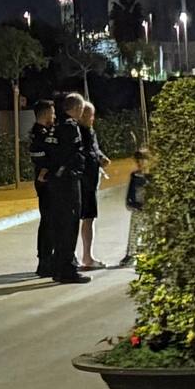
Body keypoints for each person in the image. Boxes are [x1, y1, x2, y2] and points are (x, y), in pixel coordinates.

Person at [46, 93, 91, 284]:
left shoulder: (55, 127)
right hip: (68, 182)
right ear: (77, 108)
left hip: (56, 183)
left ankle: (58, 267)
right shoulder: (71, 128)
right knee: (70, 224)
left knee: (59, 225)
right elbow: (73, 154)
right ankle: (67, 269)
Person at [77, 102, 111, 269]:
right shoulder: (76, 132)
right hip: (81, 182)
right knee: (78, 220)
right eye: (90, 115)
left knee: (89, 219)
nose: (92, 119)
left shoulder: (90, 132)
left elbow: (94, 150)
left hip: (90, 182)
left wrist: (101, 158)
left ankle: (87, 256)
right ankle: (81, 258)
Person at [28, 99, 57, 277]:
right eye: (52, 113)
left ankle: (46, 259)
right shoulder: (39, 135)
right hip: (46, 183)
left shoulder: (41, 132)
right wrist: (46, 170)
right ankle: (45, 261)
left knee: (48, 222)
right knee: (48, 222)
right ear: (45, 113)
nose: (54, 116)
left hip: (45, 181)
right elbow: (42, 158)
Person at [119, 149, 149, 266]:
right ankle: (131, 254)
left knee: (148, 231)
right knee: (134, 231)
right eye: (138, 161)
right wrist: (130, 203)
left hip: (149, 209)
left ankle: (148, 253)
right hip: (137, 207)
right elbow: (130, 193)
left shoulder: (151, 176)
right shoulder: (135, 175)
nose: (140, 163)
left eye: (142, 160)